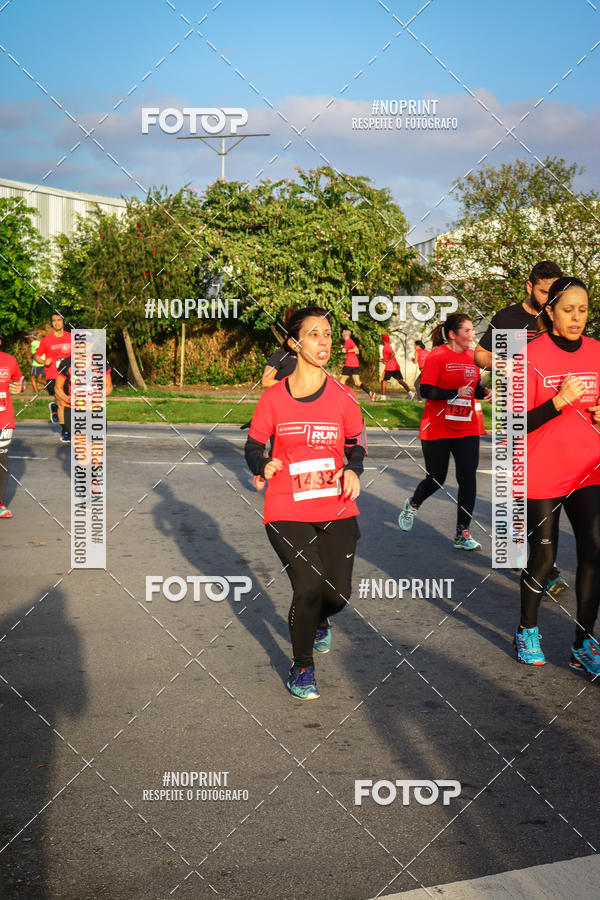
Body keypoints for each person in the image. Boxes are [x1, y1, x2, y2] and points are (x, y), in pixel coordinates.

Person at [245, 307, 366, 700]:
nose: (325, 341)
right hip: (286, 505)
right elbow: (251, 446)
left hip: (335, 503)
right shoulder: (274, 398)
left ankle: (319, 622)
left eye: (328, 334)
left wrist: (353, 469)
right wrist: (264, 462)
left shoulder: (344, 397)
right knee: (309, 586)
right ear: (294, 344)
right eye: (314, 335)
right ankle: (302, 667)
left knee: (338, 595)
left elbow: (356, 444)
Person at [514, 277, 600, 677]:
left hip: (589, 469)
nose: (577, 317)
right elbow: (514, 423)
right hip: (543, 471)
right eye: (568, 309)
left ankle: (583, 643)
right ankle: (526, 631)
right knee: (544, 557)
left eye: (583, 309)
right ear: (549, 311)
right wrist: (558, 401)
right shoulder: (528, 355)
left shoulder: (598, 352)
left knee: (594, 553)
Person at [474, 260, 567, 597]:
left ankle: (538, 557)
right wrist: (501, 361)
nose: (551, 298)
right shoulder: (508, 318)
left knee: (549, 490)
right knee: (518, 493)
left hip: (554, 414)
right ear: (530, 287)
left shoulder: (559, 318)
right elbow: (479, 355)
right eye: (545, 291)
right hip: (512, 412)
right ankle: (540, 564)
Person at [398, 313, 491, 550]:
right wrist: (454, 393)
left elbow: (473, 389)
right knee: (436, 478)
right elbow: (426, 391)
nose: (472, 335)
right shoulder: (437, 356)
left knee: (467, 477)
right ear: (452, 334)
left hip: (466, 426)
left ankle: (462, 533)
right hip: (437, 426)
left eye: (472, 330)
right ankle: (413, 504)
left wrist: (485, 392)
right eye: (467, 331)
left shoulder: (474, 357)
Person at [55, 354, 113, 444]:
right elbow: (58, 387)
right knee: (81, 447)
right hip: (74, 410)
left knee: (95, 446)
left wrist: (99, 396)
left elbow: (108, 386)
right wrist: (68, 399)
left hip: (95, 410)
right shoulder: (67, 362)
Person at [34, 313, 72, 438]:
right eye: (54, 321)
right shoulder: (46, 340)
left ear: (63, 322)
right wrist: (44, 362)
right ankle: (65, 430)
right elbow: (37, 356)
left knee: (67, 403)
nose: (56, 323)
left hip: (68, 376)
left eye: (59, 320)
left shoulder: (72, 337)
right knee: (61, 401)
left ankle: (55, 408)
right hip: (52, 375)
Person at [0, 332, 25, 518]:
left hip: (4, 418)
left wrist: (21, 387)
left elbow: (19, 382)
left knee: (2, 459)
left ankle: (0, 503)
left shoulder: (10, 360)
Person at [339, 328, 375, 400]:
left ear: (346, 334)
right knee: (357, 382)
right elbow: (356, 352)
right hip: (354, 364)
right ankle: (370, 393)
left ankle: (342, 397)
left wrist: (346, 351)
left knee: (342, 381)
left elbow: (356, 350)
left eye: (343, 333)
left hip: (349, 363)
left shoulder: (349, 341)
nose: (342, 334)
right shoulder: (348, 342)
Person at [379, 334, 414, 400]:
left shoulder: (386, 347)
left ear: (384, 340)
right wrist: (382, 360)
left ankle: (383, 397)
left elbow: (392, 354)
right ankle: (410, 393)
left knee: (383, 381)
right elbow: (389, 357)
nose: (381, 340)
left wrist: (386, 360)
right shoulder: (388, 346)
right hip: (395, 367)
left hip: (389, 368)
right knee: (400, 381)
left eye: (381, 339)